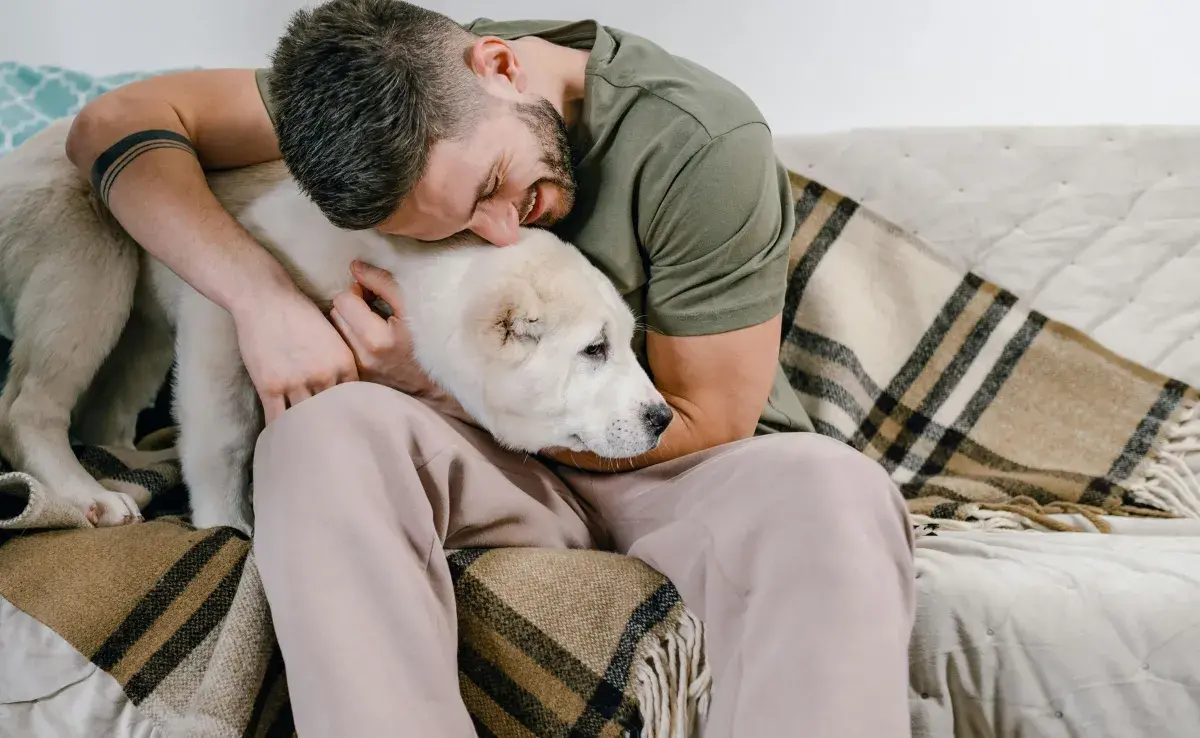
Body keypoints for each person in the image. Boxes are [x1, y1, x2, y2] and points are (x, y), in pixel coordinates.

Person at [67, 1, 915, 735]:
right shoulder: (363, 104)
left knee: (831, 487)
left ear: (500, 67)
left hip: (670, 467)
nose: (503, 228)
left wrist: (434, 387)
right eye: (456, 222)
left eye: (494, 183)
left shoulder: (696, 140)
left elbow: (707, 422)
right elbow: (111, 128)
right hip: (479, 468)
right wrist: (263, 302)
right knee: (318, 435)